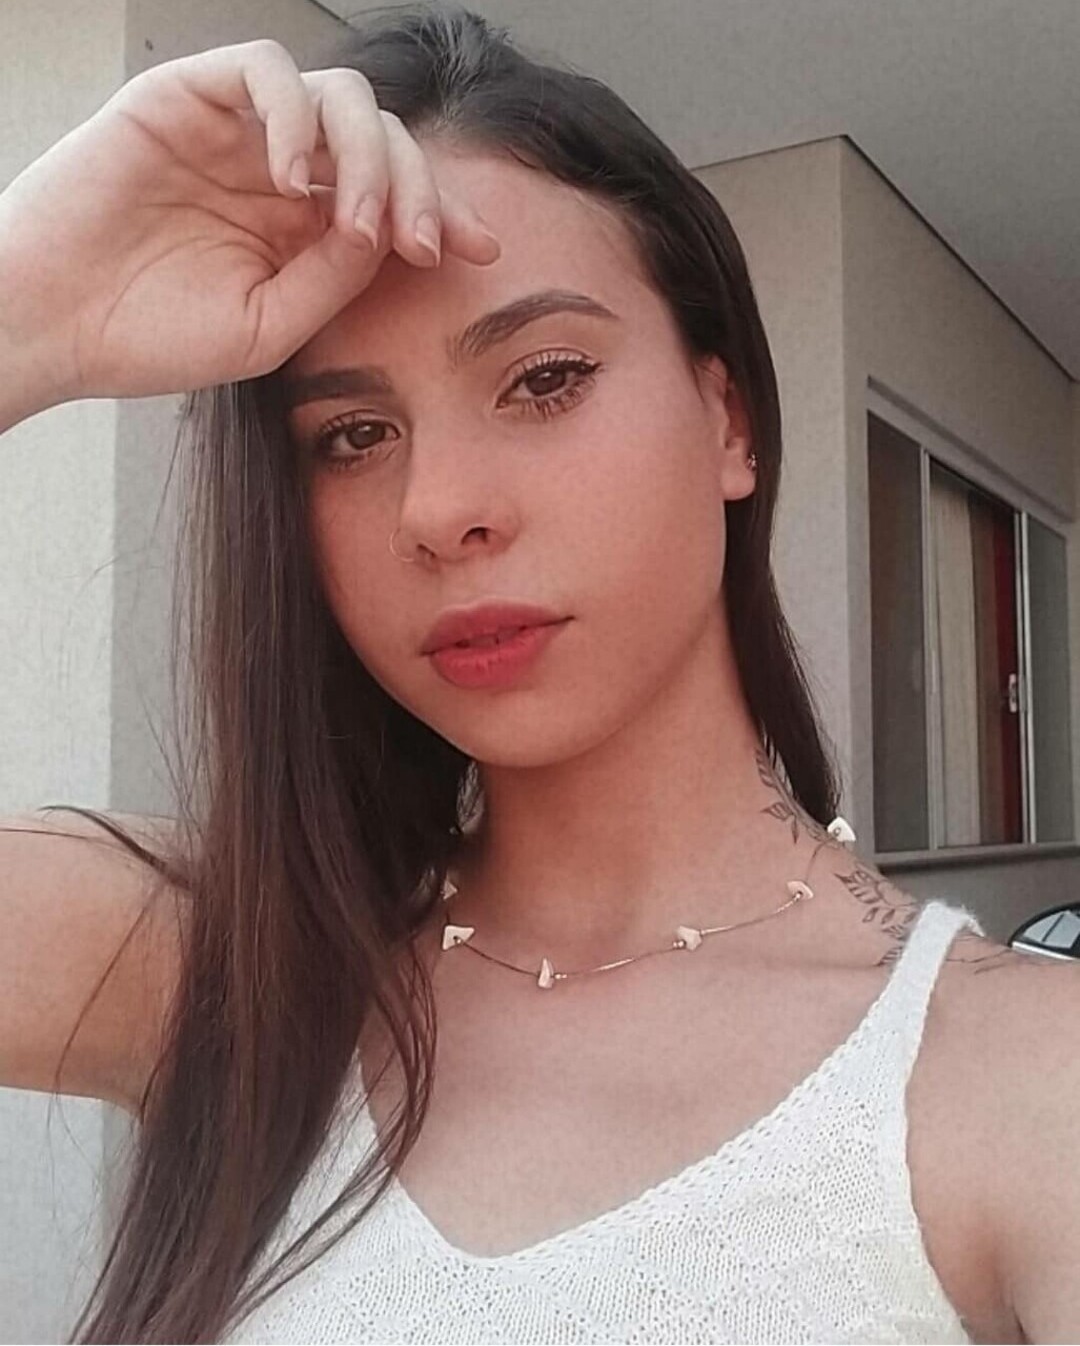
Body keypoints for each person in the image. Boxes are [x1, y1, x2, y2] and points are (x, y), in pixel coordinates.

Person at [0, 5, 1075, 1342]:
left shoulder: (1020, 1076)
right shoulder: (230, 965)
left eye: (545, 378)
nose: (438, 508)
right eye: (352, 436)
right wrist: (27, 300)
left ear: (729, 419)